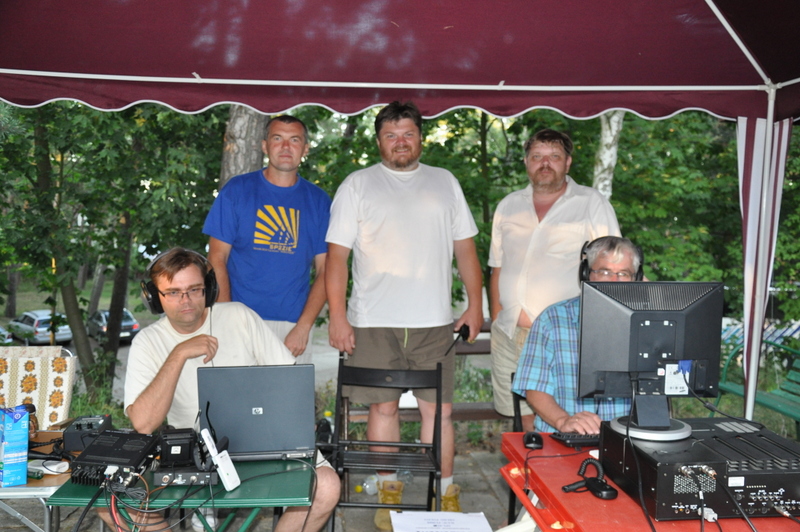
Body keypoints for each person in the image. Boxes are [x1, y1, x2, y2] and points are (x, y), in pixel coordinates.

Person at [325, 101, 483, 527]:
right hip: (373, 321)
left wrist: (475, 304)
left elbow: (465, 249)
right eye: (391, 135)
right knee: (383, 410)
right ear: (378, 141)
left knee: (441, 414)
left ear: (420, 138)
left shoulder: (444, 182)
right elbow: (336, 259)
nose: (400, 142)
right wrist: (337, 317)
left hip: (435, 322)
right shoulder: (357, 185)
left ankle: (446, 495)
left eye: (408, 133)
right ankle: (388, 495)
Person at [110, 247, 339, 532]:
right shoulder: (147, 342)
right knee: (112, 501)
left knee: (327, 486)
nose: (186, 300)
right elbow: (144, 423)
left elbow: (291, 381)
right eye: (173, 292)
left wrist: (298, 422)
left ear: (209, 288)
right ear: (154, 297)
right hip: (194, 456)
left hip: (265, 442)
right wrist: (179, 354)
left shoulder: (238, 316)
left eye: (194, 289)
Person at [489, 129, 620, 431]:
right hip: (508, 332)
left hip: (562, 337)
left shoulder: (591, 202)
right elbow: (497, 267)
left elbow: (613, 268)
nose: (545, 163)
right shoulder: (508, 205)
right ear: (526, 162)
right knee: (520, 419)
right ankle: (528, 464)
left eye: (554, 157)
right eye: (537, 156)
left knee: (562, 417)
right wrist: (497, 316)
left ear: (568, 162)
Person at [204, 115, 331, 362]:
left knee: (290, 390)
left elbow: (326, 269)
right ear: (264, 145)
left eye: (294, 140)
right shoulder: (236, 191)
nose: (286, 147)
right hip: (240, 321)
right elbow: (216, 259)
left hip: (292, 327)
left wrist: (304, 327)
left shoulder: (319, 201)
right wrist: (227, 318)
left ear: (305, 149)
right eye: (277, 138)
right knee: (234, 389)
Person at [511, 236, 638, 434]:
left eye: (623, 273)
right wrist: (563, 421)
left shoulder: (646, 324)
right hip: (565, 436)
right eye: (604, 272)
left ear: (635, 279)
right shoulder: (552, 320)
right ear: (586, 274)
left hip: (628, 439)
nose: (615, 281)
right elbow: (534, 388)